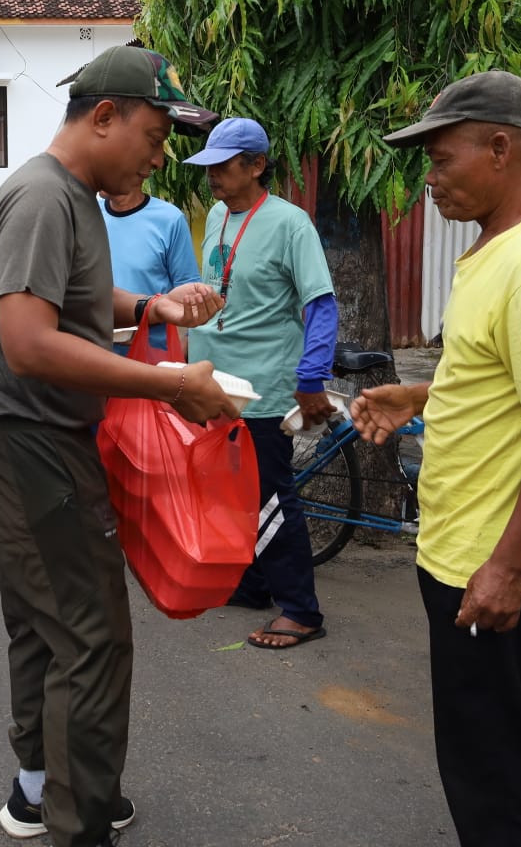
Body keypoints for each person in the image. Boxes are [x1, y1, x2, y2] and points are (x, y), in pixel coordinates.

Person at [0, 45, 238, 847]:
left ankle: (46, 784)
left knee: (49, 623)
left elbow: (70, 293)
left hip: (27, 435)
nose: (161, 154)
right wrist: (174, 386)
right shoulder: (46, 197)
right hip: (28, 440)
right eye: (154, 134)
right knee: (91, 635)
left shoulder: (71, 195)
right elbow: (29, 341)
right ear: (104, 116)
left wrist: (153, 306)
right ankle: (79, 821)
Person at [350, 70, 521, 846]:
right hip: (461, 552)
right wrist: (420, 398)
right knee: (479, 761)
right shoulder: (497, 249)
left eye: (442, 158)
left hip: (495, 564)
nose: (430, 179)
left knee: (504, 785)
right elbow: (502, 382)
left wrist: (506, 568)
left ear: (499, 147)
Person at [183, 116, 338, 649]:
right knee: (231, 492)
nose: (212, 178)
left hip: (264, 387)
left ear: (255, 165)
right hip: (218, 385)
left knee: (271, 497)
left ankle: (301, 611)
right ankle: (252, 586)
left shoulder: (290, 223)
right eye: (208, 169)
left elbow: (320, 303)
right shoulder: (222, 217)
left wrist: (311, 374)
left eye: (222, 167)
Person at [99, 176, 200, 358]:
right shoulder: (88, 214)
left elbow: (190, 291)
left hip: (151, 354)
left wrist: (183, 350)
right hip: (96, 351)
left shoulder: (169, 219)